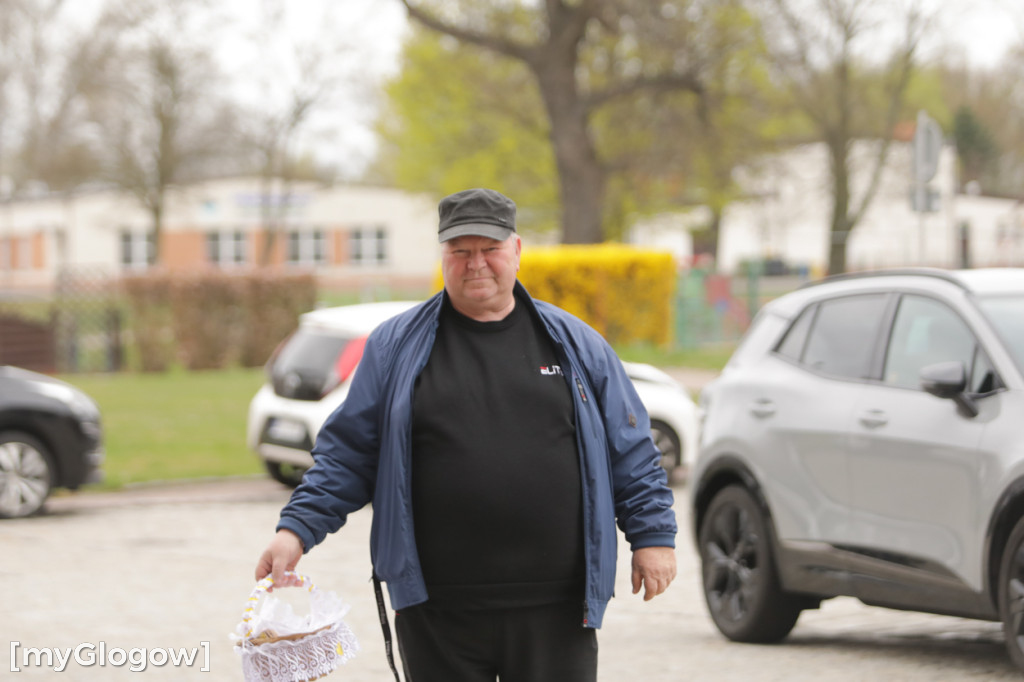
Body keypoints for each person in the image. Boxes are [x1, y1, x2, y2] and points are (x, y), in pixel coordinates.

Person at [255, 187, 677, 682]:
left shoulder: (576, 344)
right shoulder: (395, 346)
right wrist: (295, 532)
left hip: (557, 606)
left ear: (516, 251)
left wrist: (652, 536)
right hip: (436, 608)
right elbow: (348, 455)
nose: (476, 263)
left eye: (489, 249)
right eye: (460, 251)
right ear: (443, 257)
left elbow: (630, 450)